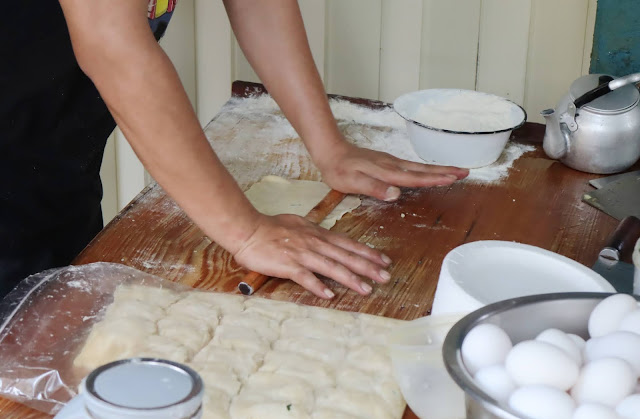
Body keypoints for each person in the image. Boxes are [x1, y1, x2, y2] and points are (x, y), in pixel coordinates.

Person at [0, 0, 468, 300]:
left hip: (52, 160)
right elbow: (111, 43)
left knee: (52, 331)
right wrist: (246, 234)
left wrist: (330, 148)